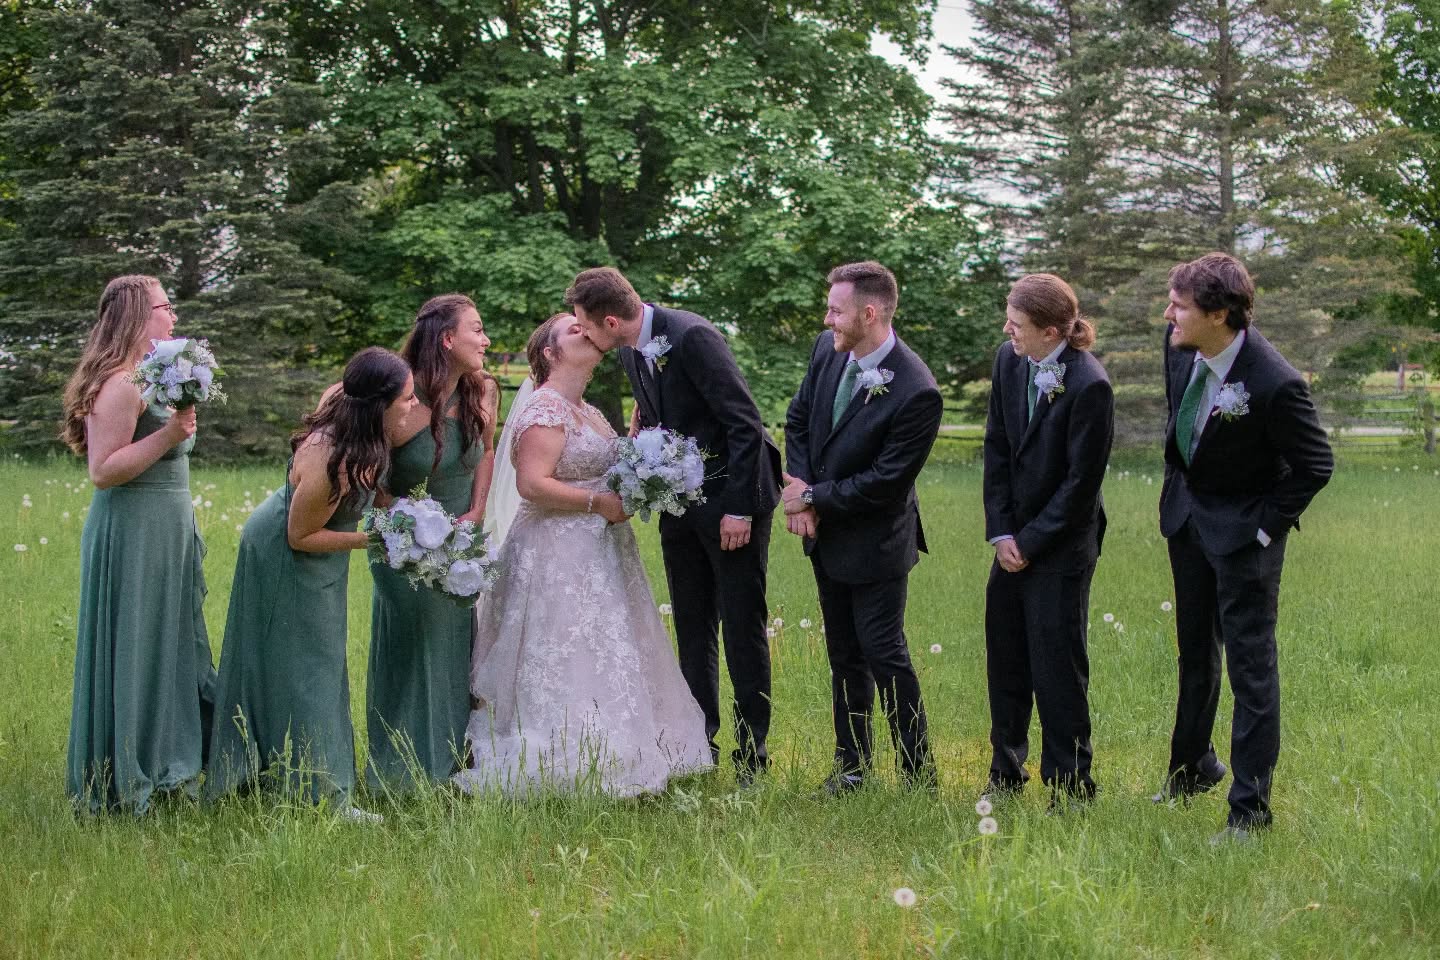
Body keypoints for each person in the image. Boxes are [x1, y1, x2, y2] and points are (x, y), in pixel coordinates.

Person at [455, 314, 711, 796]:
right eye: (573, 329)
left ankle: (627, 745)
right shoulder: (545, 409)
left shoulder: (587, 411)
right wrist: (599, 503)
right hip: (556, 553)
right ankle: (564, 752)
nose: (587, 330)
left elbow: (598, 464)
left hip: (602, 549)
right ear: (549, 353)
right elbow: (533, 484)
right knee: (566, 648)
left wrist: (639, 458)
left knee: (609, 646)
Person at [566, 267, 781, 784]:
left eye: (585, 326)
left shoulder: (693, 337)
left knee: (741, 624)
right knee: (691, 622)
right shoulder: (628, 350)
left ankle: (752, 752)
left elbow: (744, 423)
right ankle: (699, 742)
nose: (583, 335)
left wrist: (739, 510)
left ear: (611, 321)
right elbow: (664, 415)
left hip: (732, 498)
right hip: (678, 503)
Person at [1155, 252, 1333, 842]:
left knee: (1251, 671)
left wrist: (1263, 529)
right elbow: (1183, 429)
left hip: (1245, 539)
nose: (1168, 315)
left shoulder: (1275, 382)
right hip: (1188, 523)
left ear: (1220, 314)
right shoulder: (1178, 347)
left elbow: (1315, 465)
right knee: (1194, 654)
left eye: (1179, 306)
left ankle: (1249, 811)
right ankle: (1191, 770)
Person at [206, 348, 416, 820]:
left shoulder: (355, 412)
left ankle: (293, 773)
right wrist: (376, 539)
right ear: (378, 404)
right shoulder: (331, 459)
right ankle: (323, 793)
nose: (413, 403)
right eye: (406, 397)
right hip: (285, 555)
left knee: (317, 662)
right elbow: (300, 537)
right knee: (308, 668)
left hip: (321, 556)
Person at [780, 261, 943, 793]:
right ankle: (852, 767)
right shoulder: (827, 350)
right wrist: (801, 493)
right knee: (843, 656)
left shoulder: (917, 389)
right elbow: (799, 420)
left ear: (869, 313)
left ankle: (918, 774)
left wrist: (812, 498)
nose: (826, 319)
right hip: (825, 534)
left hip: (877, 543)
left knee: (884, 653)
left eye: (835, 310)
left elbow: (885, 483)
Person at [61, 275, 218, 814]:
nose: (173, 316)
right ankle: (128, 769)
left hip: (168, 530)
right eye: (164, 306)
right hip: (134, 532)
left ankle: (171, 758)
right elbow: (103, 471)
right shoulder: (120, 384)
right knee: (137, 644)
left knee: (171, 643)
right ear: (135, 314)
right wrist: (169, 434)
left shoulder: (158, 376)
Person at [981, 274, 1114, 805]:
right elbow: (996, 446)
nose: (1007, 330)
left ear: (1052, 331)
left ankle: (1071, 783)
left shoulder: (1090, 385)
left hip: (1062, 546)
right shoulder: (1008, 361)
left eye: (1017, 323)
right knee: (1006, 658)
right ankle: (1005, 771)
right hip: (1011, 541)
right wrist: (1002, 533)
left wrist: (1030, 543)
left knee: (1058, 666)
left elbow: (1081, 485)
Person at [366, 295, 498, 792]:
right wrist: (415, 530)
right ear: (447, 339)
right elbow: (373, 480)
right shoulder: (399, 397)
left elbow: (486, 452)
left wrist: (477, 510)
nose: (486, 340)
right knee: (415, 648)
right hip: (407, 547)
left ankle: (455, 760)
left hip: (463, 541)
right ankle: (403, 766)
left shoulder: (483, 389)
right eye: (476, 330)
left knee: (457, 649)